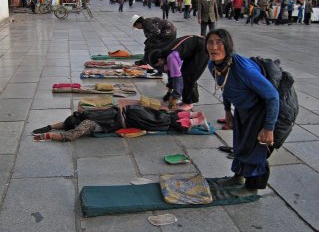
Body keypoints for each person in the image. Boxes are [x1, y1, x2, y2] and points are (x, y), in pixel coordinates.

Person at [206, 28, 279, 197]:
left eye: (219, 42)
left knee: (254, 149)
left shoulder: (243, 69)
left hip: (259, 111)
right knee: (240, 144)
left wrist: (268, 128)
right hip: (242, 109)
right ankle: (238, 177)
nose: (214, 47)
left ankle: (252, 187)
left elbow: (273, 96)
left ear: (228, 46)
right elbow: (223, 86)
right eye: (210, 42)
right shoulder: (213, 65)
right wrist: (227, 111)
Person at [31, 105, 210, 141]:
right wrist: (47, 127)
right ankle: (192, 115)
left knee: (162, 122)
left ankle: (194, 120)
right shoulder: (85, 112)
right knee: (159, 115)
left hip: (130, 119)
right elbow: (65, 124)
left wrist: (46, 135)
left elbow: (70, 134)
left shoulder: (87, 123)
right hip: (129, 110)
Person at [149, 35, 209, 111]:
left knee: (189, 77)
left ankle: (188, 103)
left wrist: (175, 96)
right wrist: (169, 91)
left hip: (201, 49)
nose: (160, 67)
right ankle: (186, 101)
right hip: (194, 48)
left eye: (158, 65)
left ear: (159, 59)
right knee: (185, 74)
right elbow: (171, 74)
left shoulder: (171, 57)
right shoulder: (165, 54)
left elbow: (177, 78)